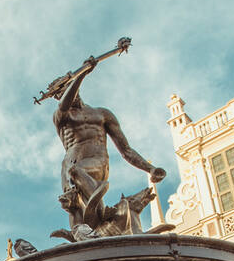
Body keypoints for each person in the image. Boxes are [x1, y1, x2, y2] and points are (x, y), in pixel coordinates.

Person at [52, 55, 165, 231]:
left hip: (95, 163)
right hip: (69, 165)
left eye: (65, 90)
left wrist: (149, 169)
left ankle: (102, 210)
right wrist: (82, 74)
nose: (63, 96)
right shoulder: (62, 115)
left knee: (77, 172)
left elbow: (126, 150)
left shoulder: (102, 114)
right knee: (76, 213)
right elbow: (63, 105)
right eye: (60, 94)